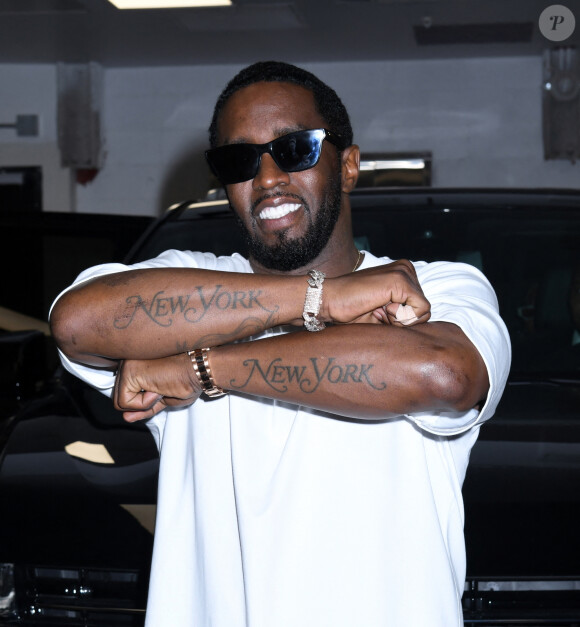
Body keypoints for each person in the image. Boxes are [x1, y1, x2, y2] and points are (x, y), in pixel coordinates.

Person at [50, 61, 511, 627]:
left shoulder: (437, 287)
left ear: (348, 166)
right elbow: (77, 321)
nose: (267, 178)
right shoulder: (189, 278)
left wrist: (201, 371)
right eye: (239, 160)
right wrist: (319, 299)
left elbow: (443, 376)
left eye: (295, 148)